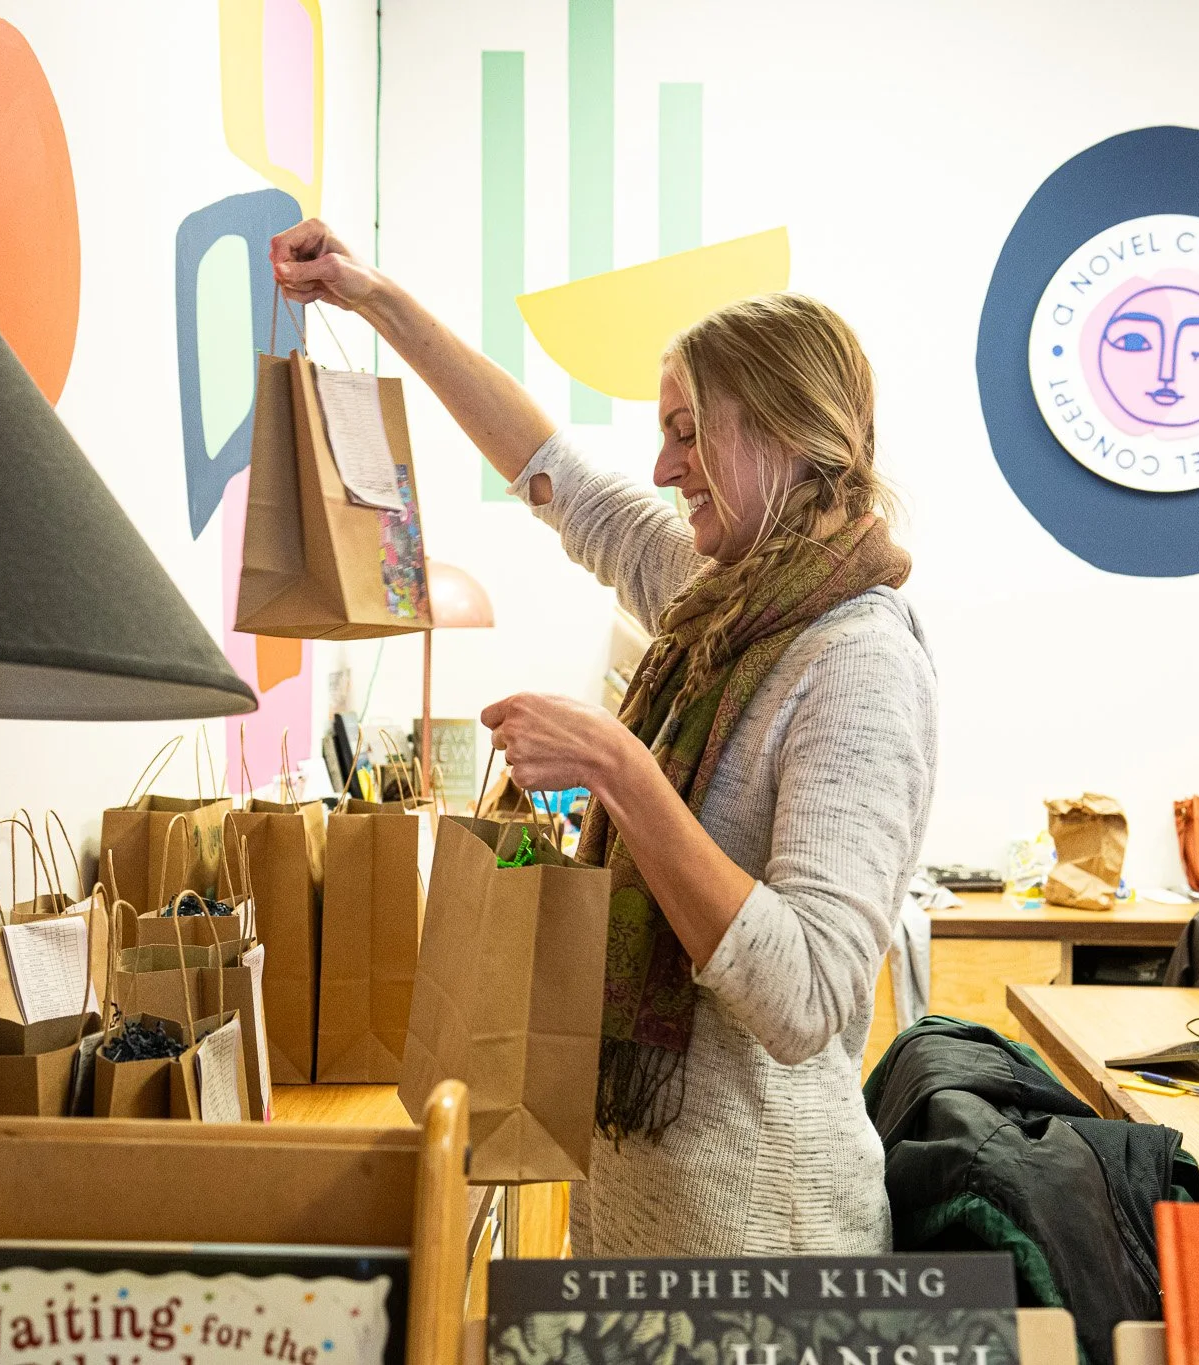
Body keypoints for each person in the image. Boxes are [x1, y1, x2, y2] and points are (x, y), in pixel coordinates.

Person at [273, 218, 939, 1256]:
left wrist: (619, 769)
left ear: (779, 433)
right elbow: (551, 471)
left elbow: (805, 997)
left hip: (767, 1252)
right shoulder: (716, 600)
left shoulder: (855, 661)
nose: (664, 468)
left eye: (687, 431)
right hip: (640, 1223)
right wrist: (372, 299)